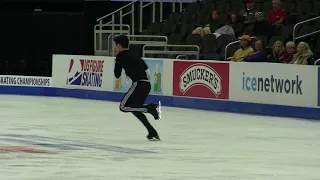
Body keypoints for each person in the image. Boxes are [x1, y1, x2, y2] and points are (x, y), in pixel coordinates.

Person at [113, 35, 161, 141]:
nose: (115, 48)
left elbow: (117, 74)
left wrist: (121, 65)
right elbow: (145, 69)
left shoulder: (120, 56)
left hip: (138, 84)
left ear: (119, 45)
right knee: (135, 108)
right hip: (146, 84)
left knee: (123, 106)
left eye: (116, 46)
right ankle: (152, 131)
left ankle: (149, 108)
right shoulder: (134, 54)